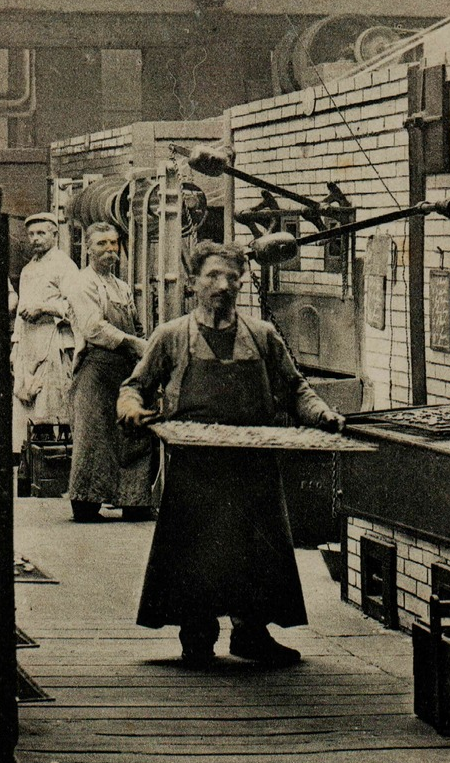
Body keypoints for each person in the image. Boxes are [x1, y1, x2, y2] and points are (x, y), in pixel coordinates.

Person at [118, 240, 344, 667]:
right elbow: (134, 387)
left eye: (232, 278)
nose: (223, 285)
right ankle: (197, 635)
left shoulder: (262, 335)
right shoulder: (171, 336)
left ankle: (252, 635)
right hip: (195, 466)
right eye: (213, 276)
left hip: (252, 463)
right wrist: (130, 409)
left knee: (256, 549)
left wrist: (321, 414)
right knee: (195, 549)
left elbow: (295, 388)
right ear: (192, 283)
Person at [61, 221, 154, 522]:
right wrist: (132, 343)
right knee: (94, 436)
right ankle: (86, 504)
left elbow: (136, 324)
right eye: (102, 244)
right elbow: (93, 327)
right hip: (95, 370)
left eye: (114, 244)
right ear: (87, 247)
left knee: (133, 434)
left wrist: (144, 344)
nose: (110, 250)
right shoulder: (81, 283)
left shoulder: (121, 286)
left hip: (125, 371)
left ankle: (134, 502)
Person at [10, 212, 76, 462]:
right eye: (31, 234)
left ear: (54, 235)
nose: (35, 239)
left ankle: (50, 464)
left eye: (41, 233)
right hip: (28, 344)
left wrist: (45, 308)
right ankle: (28, 464)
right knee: (26, 401)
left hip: (54, 343)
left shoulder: (65, 266)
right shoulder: (28, 269)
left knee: (50, 407)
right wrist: (15, 346)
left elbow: (75, 307)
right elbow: (20, 312)